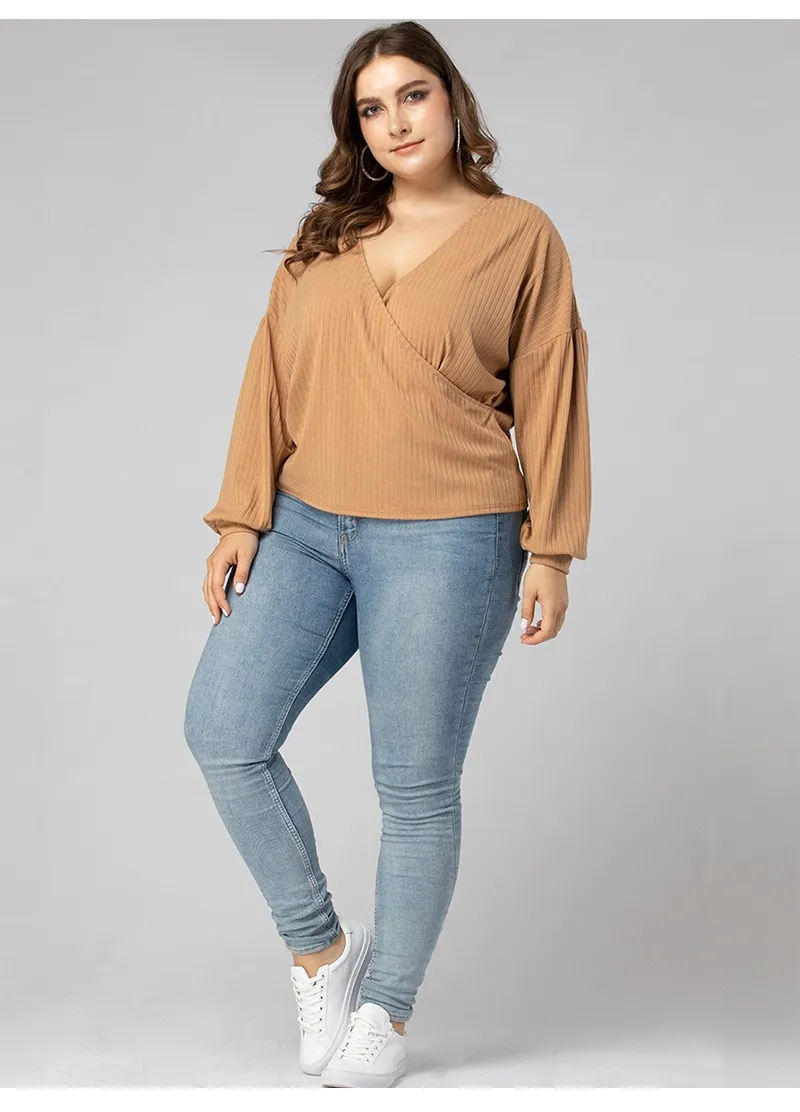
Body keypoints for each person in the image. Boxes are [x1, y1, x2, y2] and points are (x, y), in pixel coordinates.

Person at [183, 19, 591, 1088]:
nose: (395, 121)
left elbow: (552, 389)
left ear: (451, 99)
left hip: (451, 536)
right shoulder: (326, 235)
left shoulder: (520, 236)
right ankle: (324, 950)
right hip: (307, 525)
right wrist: (241, 514)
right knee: (223, 732)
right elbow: (269, 373)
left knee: (413, 787)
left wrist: (552, 549)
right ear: (355, 128)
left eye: (412, 94)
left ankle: (387, 1008)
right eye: (371, 107)